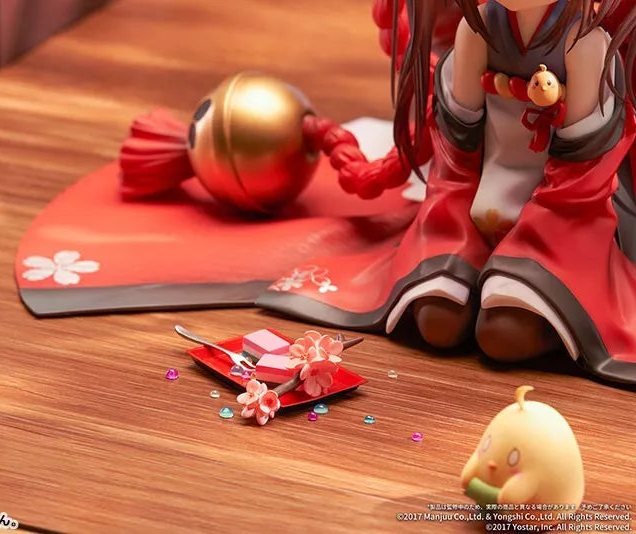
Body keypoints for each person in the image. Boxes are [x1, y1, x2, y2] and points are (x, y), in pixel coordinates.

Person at [256, 0, 636, 384]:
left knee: (502, 335)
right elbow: (456, 158)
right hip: (479, 202)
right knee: (438, 322)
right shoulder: (478, 28)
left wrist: (527, 240)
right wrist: (457, 229)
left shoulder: (583, 43)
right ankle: (484, 273)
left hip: (559, 219)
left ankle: (538, 298)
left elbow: (580, 176)